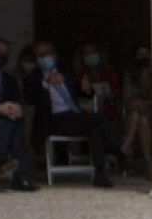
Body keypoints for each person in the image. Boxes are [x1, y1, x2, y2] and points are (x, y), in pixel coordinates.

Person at [24, 41, 123, 187]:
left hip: (74, 115)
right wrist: (46, 83)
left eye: (47, 54)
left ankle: (100, 174)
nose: (44, 58)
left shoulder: (66, 72)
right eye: (40, 55)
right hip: (55, 121)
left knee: (97, 129)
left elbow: (84, 94)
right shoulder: (33, 77)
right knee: (100, 118)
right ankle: (119, 151)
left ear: (54, 55)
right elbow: (29, 98)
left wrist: (87, 89)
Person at [0, 38, 35, 191]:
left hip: (3, 125)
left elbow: (18, 101)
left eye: (6, 53)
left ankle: (1, 159)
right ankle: (20, 178)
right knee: (13, 126)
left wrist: (16, 109)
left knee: (13, 120)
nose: (2, 55)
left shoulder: (10, 80)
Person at [120, 45, 152, 178]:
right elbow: (127, 100)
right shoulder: (130, 75)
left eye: (146, 54)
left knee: (142, 119)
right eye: (140, 55)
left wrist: (144, 103)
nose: (143, 58)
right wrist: (136, 103)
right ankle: (149, 164)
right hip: (133, 114)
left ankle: (126, 146)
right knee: (138, 117)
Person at [73, 43, 123, 123]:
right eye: (87, 54)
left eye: (93, 52)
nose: (90, 55)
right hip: (88, 116)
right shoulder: (80, 77)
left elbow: (116, 92)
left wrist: (107, 97)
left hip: (109, 114)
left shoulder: (110, 74)